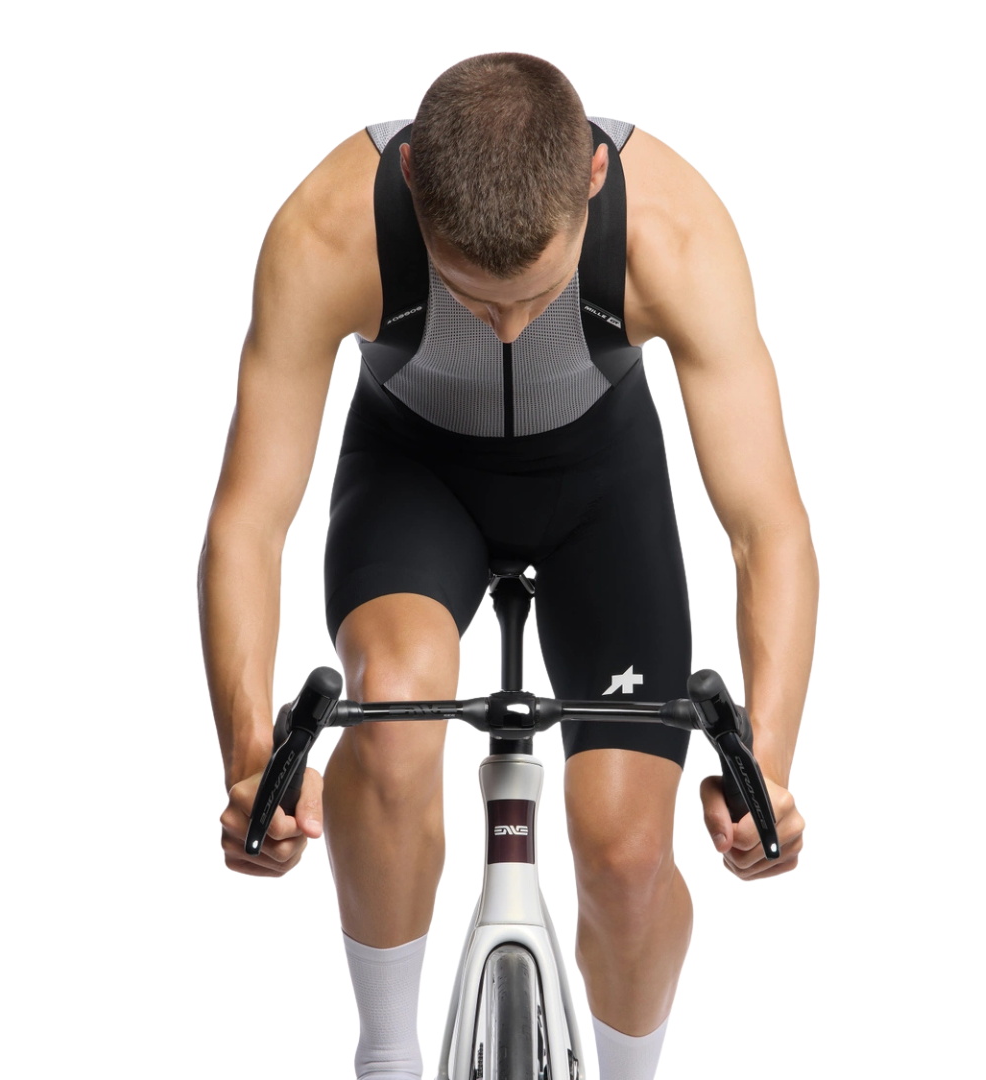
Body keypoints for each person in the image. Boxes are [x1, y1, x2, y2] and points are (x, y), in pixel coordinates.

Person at [199, 52, 817, 1080]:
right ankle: (387, 1054)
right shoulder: (328, 231)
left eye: (536, 294)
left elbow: (768, 527)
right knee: (392, 708)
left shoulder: (674, 232)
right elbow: (248, 524)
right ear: (410, 185)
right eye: (469, 295)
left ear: (594, 179)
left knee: (625, 853)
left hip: (600, 495)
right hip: (413, 483)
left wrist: (770, 771)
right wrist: (249, 761)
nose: (509, 324)